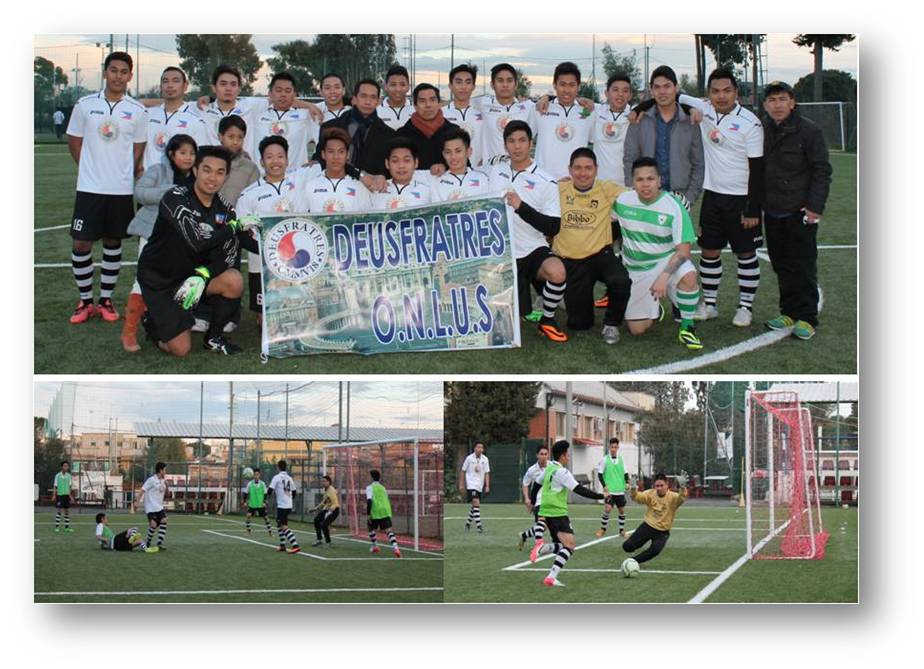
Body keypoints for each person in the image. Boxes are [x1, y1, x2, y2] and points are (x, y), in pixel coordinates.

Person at [136, 145, 258, 357]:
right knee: (181, 350)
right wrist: (233, 227)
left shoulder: (225, 209)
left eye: (220, 172)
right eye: (207, 170)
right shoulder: (175, 197)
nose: (213, 178)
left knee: (233, 280)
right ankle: (151, 321)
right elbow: (198, 241)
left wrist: (276, 245)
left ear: (226, 176)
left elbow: (233, 250)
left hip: (192, 276)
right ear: (195, 170)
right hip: (160, 278)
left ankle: (214, 337)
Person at [66, 51, 147, 325]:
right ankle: (85, 301)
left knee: (113, 242)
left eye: (123, 72)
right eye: (113, 70)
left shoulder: (137, 111)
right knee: (81, 242)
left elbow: (138, 148)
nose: (118, 76)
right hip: (89, 188)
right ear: (105, 72)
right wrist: (89, 168)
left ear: (130, 76)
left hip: (121, 190)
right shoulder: (85, 104)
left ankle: (106, 300)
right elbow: (74, 141)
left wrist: (122, 172)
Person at [679, 69, 765, 327]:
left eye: (727, 91)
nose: (721, 96)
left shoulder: (751, 123)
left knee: (746, 253)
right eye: (715, 91)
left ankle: (745, 308)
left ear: (736, 93)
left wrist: (753, 208)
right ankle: (711, 304)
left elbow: (758, 170)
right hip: (713, 196)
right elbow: (675, 95)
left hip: (742, 199)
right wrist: (689, 111)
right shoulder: (704, 108)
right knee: (709, 251)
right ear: (708, 94)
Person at [760, 80, 833, 341]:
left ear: (792, 102)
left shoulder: (809, 131)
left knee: (803, 265)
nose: (777, 105)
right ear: (765, 105)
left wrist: (814, 206)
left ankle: (807, 317)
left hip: (799, 212)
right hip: (773, 211)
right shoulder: (762, 129)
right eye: (772, 100)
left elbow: (822, 171)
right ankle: (788, 311)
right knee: (781, 264)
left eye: (782, 99)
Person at [488, 120, 568, 342]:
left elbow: (553, 227)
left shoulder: (546, 179)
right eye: (511, 141)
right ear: (505, 145)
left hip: (532, 248)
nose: (517, 146)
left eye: (522, 140)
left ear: (530, 143)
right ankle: (519, 305)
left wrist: (521, 207)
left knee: (557, 272)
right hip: (501, 252)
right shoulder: (494, 170)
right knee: (514, 323)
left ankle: (548, 320)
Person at [615, 157, 704, 350]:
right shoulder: (622, 201)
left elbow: (684, 251)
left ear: (659, 181)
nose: (645, 184)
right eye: (640, 180)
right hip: (636, 268)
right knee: (637, 330)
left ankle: (687, 327)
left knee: (689, 275)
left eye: (650, 179)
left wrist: (664, 276)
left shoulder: (673, 206)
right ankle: (655, 308)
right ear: (632, 183)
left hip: (666, 259)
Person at [121, 134, 197, 353]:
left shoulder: (196, 175)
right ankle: (129, 332)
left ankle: (165, 323)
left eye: (192, 153)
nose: (188, 157)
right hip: (153, 235)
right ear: (171, 153)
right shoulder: (158, 170)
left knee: (179, 281)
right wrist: (170, 192)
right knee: (143, 281)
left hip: (182, 239)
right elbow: (141, 193)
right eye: (183, 152)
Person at [553, 147, 631, 344]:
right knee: (580, 323)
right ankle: (566, 294)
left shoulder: (607, 189)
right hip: (570, 260)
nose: (583, 173)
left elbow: (638, 196)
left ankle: (612, 324)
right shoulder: (557, 189)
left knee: (621, 280)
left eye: (588, 168)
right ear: (569, 170)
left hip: (599, 254)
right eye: (577, 168)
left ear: (596, 169)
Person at [236, 136, 307, 324]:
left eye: (280, 156)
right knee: (265, 321)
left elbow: (306, 223)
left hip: (295, 260)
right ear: (261, 161)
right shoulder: (249, 194)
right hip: (261, 261)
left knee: (300, 311)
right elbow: (242, 232)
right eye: (269, 157)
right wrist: (266, 251)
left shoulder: (298, 188)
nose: (275, 161)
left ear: (287, 159)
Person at [622, 65, 704, 215]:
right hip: (645, 197)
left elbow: (698, 164)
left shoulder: (690, 122)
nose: (662, 91)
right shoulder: (640, 119)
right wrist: (635, 191)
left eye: (667, 86)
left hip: (679, 198)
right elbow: (629, 159)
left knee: (680, 240)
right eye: (657, 87)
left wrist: (688, 198)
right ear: (652, 90)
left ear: (676, 88)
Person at [531, 440, 604, 587]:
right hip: (558, 513)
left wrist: (533, 502)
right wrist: (601, 496)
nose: (569, 457)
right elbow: (579, 489)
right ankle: (551, 576)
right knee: (570, 547)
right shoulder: (562, 472)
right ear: (563, 456)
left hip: (547, 511)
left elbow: (537, 484)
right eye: (568, 454)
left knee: (560, 545)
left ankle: (546, 556)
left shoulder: (549, 468)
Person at [312, 79, 395, 194]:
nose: (367, 101)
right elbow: (321, 158)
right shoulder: (329, 127)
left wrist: (382, 175)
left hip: (370, 193)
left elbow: (388, 166)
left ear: (378, 102)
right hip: (335, 190)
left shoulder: (388, 134)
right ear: (354, 99)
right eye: (363, 96)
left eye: (372, 97)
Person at [530, 62, 596, 180]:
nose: (567, 90)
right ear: (554, 85)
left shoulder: (590, 112)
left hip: (576, 183)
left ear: (578, 86)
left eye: (572, 85)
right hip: (544, 182)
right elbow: (525, 140)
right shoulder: (540, 109)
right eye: (562, 84)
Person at [248, 72, 318, 172]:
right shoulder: (256, 116)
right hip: (263, 180)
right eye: (278, 90)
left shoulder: (305, 116)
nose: (283, 94)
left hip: (294, 181)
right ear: (270, 93)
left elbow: (321, 140)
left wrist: (316, 160)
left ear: (294, 94)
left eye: (288, 91)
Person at [141, 66, 208, 170]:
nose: (170, 85)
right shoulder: (148, 115)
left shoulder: (195, 121)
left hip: (176, 183)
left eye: (175, 81)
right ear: (161, 86)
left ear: (185, 86)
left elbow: (199, 159)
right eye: (165, 81)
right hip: (148, 181)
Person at [473, 63, 536, 164]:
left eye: (509, 80)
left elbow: (552, 103)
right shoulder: (482, 103)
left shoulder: (528, 108)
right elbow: (455, 104)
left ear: (516, 84)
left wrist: (547, 97)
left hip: (518, 172)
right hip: (490, 172)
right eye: (500, 80)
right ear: (492, 85)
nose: (505, 85)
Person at [296, 128, 371, 212]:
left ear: (348, 155)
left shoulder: (359, 187)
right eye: (331, 151)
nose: (336, 157)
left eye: (341, 152)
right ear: (323, 154)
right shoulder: (309, 186)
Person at [622, 472, 688, 564]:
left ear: (667, 485)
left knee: (655, 550)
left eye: (661, 485)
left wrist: (683, 487)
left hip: (663, 531)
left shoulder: (673, 497)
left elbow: (681, 498)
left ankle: (633, 561)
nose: (659, 488)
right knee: (627, 547)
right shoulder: (650, 494)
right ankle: (635, 546)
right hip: (648, 526)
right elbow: (637, 497)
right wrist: (633, 488)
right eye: (657, 486)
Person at [396, 83, 459, 176]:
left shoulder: (455, 132)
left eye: (432, 100)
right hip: (413, 187)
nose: (428, 105)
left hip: (448, 187)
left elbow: (465, 164)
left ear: (439, 103)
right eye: (422, 101)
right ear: (415, 105)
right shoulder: (402, 135)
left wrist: (445, 166)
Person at [198, 64, 267, 147]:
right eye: (223, 84)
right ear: (213, 87)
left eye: (233, 84)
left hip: (243, 159)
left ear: (239, 89)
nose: (228, 88)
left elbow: (277, 99)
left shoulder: (251, 106)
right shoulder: (202, 109)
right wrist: (209, 98)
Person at [429, 128, 492, 201]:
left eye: (458, 151)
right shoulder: (436, 181)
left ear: (469, 152)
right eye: (448, 152)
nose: (453, 157)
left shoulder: (483, 178)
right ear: (443, 154)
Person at [370, 137, 432, 210]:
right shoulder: (376, 189)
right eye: (395, 161)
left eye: (406, 160)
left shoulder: (427, 191)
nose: (401, 166)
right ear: (387, 163)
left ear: (416, 163)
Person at [442, 64, 485, 166]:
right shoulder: (441, 114)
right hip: (448, 173)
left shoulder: (483, 114)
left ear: (473, 86)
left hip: (477, 173)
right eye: (458, 82)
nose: (463, 87)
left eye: (468, 82)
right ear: (450, 85)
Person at [216, 114, 260, 206]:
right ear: (220, 137)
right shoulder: (207, 162)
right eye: (231, 137)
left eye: (240, 137)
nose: (235, 142)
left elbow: (254, 200)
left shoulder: (250, 168)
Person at [595, 437, 629, 537]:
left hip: (620, 490)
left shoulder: (621, 459)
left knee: (622, 511)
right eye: (612, 447)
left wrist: (627, 482)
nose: (613, 449)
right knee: (607, 509)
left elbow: (625, 473)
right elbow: (600, 474)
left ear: (618, 447)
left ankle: (622, 530)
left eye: (615, 447)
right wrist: (604, 486)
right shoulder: (604, 459)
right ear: (609, 447)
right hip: (610, 491)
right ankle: (602, 529)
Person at [518, 444, 549, 551]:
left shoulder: (552, 467)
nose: (544, 456)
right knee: (542, 521)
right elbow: (525, 483)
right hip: (538, 501)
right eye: (541, 454)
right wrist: (527, 498)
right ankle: (538, 546)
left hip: (551, 501)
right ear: (537, 455)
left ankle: (524, 535)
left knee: (544, 527)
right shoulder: (532, 470)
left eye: (546, 454)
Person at [267, 460, 301, 553]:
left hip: (282, 506)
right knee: (279, 524)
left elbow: (270, 490)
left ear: (278, 467)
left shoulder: (277, 477)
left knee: (283, 526)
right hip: (288, 505)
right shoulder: (289, 478)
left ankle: (295, 545)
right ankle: (282, 546)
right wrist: (289, 500)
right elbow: (294, 492)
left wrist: (264, 499)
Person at [366, 470, 401, 558]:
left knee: (370, 528)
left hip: (375, 510)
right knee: (388, 530)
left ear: (372, 477)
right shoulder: (383, 487)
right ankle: (396, 548)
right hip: (385, 510)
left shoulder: (369, 487)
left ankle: (375, 546)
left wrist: (368, 514)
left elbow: (369, 501)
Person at [459, 441, 491, 533]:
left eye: (481, 447)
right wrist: (461, 484)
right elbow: (463, 471)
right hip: (471, 484)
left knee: (475, 506)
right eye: (478, 447)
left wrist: (487, 485)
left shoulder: (485, 459)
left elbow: (487, 473)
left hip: (479, 485)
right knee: (476, 502)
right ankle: (479, 526)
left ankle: (468, 523)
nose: (480, 449)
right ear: (474, 448)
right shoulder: (469, 458)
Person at [137, 461, 168, 553]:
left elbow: (164, 493)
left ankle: (159, 543)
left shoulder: (163, 481)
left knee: (164, 521)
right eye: (165, 470)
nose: (166, 472)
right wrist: (137, 502)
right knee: (153, 525)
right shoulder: (151, 480)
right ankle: (148, 542)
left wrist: (167, 486)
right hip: (150, 507)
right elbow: (142, 490)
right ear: (160, 470)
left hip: (159, 506)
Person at [313, 72, 352, 142]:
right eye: (327, 88)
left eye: (337, 87)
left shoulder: (354, 111)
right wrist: (309, 105)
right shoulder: (315, 113)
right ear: (321, 92)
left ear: (343, 90)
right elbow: (290, 102)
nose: (332, 91)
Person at [377, 64, 413, 131]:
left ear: (408, 87)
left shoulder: (417, 111)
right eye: (393, 85)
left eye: (402, 84)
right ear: (385, 86)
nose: (398, 89)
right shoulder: (376, 113)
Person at [311, 475, 340, 547]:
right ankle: (319, 540)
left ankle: (328, 542)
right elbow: (324, 502)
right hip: (327, 509)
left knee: (324, 525)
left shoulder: (331, 490)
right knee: (316, 521)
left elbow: (335, 503)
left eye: (324, 481)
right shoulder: (326, 490)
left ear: (329, 482)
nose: (322, 483)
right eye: (322, 481)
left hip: (334, 510)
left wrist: (330, 512)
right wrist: (316, 508)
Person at [243, 468, 273, 536]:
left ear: (259, 475)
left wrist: (264, 502)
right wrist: (245, 501)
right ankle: (248, 531)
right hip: (252, 504)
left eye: (257, 474)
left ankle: (270, 532)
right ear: (253, 475)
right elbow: (245, 493)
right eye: (255, 474)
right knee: (248, 516)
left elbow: (265, 493)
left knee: (266, 518)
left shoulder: (263, 484)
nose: (256, 476)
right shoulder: (250, 483)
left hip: (260, 504)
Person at [52, 460, 75, 533]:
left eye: (67, 466)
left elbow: (70, 486)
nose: (66, 467)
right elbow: (55, 486)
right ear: (62, 467)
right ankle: (57, 527)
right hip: (60, 495)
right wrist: (54, 495)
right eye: (65, 466)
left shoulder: (69, 476)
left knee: (67, 511)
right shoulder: (57, 475)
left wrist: (70, 496)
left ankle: (66, 528)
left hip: (66, 496)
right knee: (59, 510)